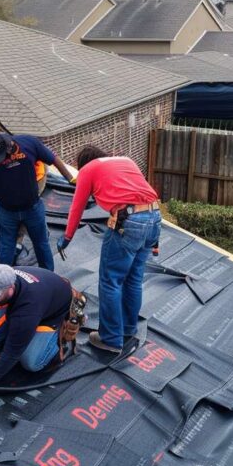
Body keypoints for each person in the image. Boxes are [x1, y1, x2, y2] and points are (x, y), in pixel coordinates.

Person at [57, 146, 161, 354]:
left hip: (129, 221)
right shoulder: (126, 160)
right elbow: (144, 194)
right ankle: (129, 329)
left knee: (110, 282)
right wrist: (154, 242)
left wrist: (67, 237)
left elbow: (77, 207)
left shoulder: (88, 170)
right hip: (155, 216)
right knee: (133, 279)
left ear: (83, 164)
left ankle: (111, 338)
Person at [0, 264, 80, 400]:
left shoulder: (28, 308)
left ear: (11, 287)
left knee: (30, 362)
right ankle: (18, 327)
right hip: (30, 302)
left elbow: (12, 352)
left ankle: (54, 339)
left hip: (51, 314)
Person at [0, 132, 75, 270]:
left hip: (32, 208)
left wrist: (70, 179)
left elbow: (53, 158)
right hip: (6, 213)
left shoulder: (29, 144)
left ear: (10, 146)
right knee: (6, 250)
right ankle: (4, 283)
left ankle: (49, 279)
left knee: (41, 245)